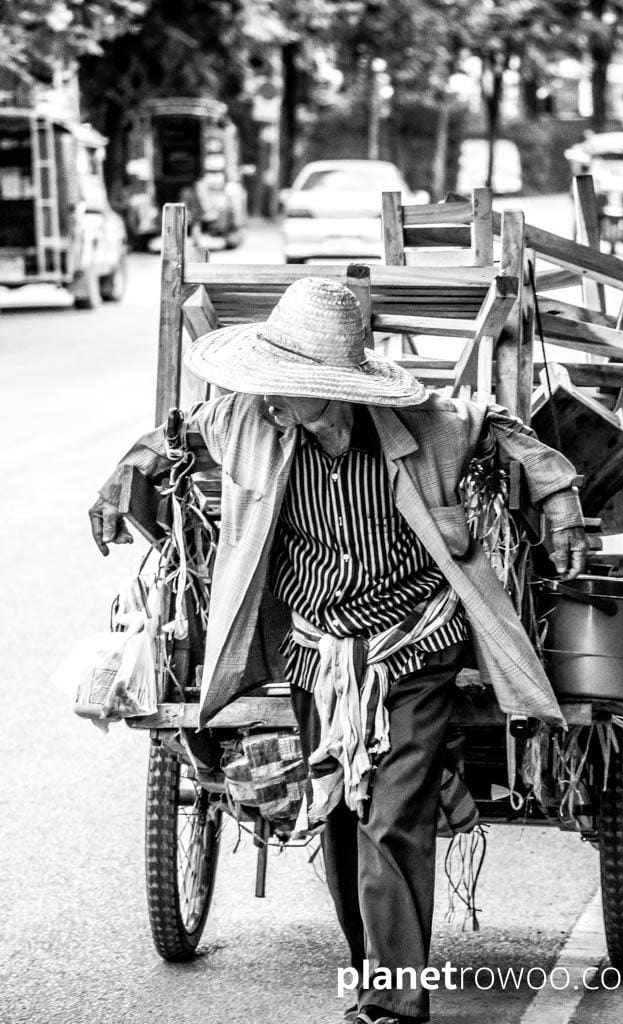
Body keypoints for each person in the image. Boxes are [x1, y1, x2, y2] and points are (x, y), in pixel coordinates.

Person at [89, 277, 587, 1024]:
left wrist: (560, 501)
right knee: (340, 813)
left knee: (391, 814)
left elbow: (502, 429)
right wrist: (119, 480)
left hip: (413, 644)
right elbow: (173, 437)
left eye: (284, 386)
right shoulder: (248, 419)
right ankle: (369, 974)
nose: (267, 397)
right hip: (317, 654)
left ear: (330, 392)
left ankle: (393, 1000)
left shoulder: (422, 425)